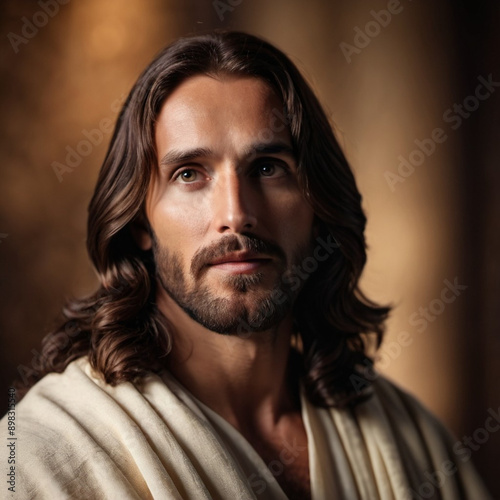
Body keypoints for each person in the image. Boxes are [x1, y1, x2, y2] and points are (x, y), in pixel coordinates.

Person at [0, 31, 491, 500]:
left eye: (267, 168)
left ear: (317, 206)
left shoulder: (413, 441)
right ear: (139, 224)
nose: (236, 214)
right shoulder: (40, 455)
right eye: (190, 174)